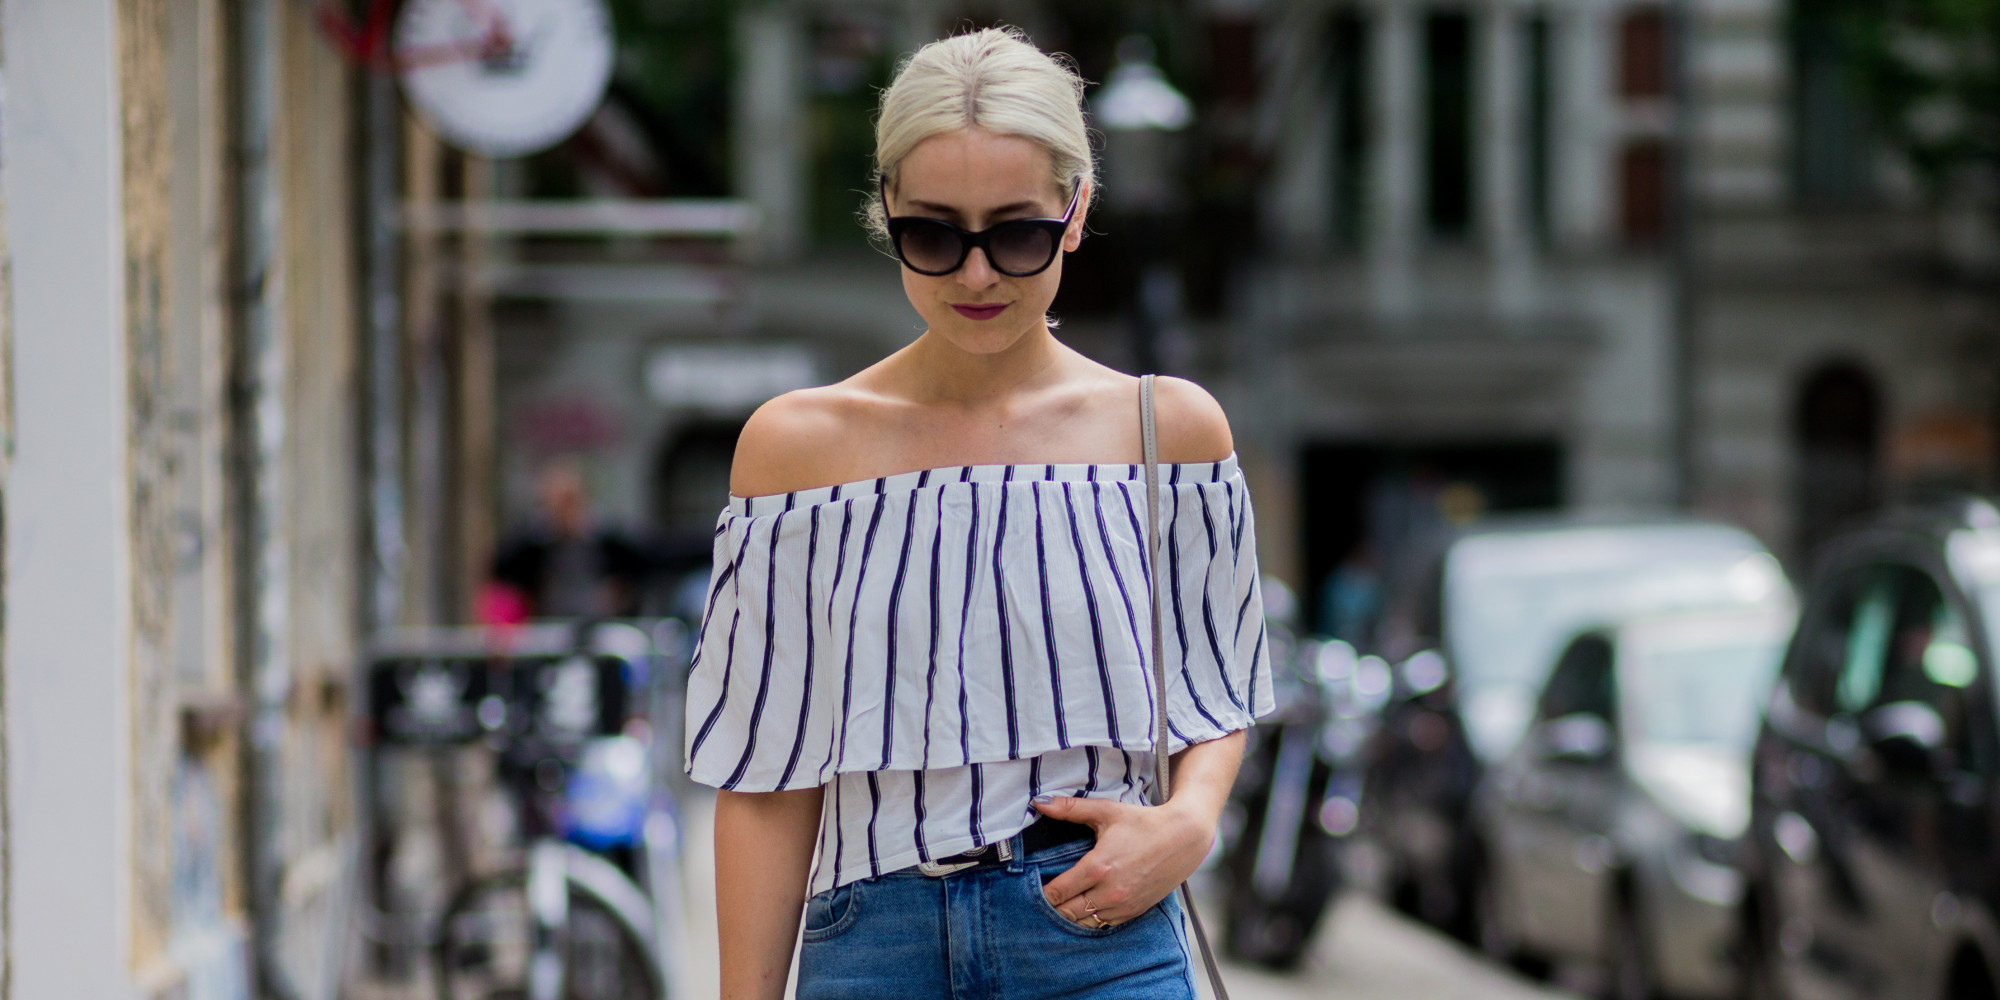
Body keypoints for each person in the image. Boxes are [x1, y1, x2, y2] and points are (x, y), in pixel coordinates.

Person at [683, 27, 1273, 1000]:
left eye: (1016, 232)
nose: (975, 275)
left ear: (1075, 212)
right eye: (932, 233)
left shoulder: (1167, 428)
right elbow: (763, 772)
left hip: (1102, 932)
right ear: (886, 214)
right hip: (873, 940)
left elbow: (1220, 688)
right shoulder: (795, 447)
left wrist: (1188, 821)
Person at [486, 461, 655, 621]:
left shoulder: (606, 536)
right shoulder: (533, 543)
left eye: (568, 501)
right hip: (547, 626)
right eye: (554, 502)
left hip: (600, 624)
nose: (562, 510)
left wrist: (622, 592)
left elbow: (642, 566)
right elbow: (501, 571)